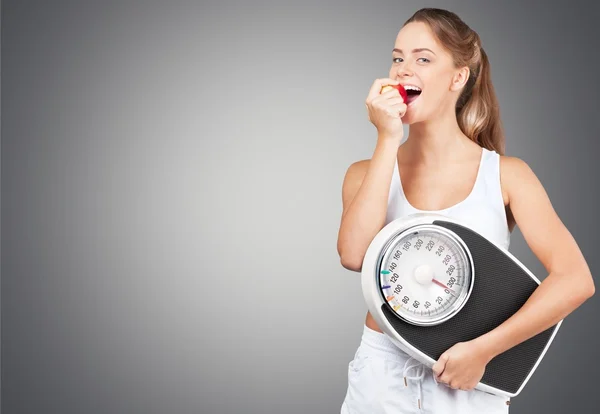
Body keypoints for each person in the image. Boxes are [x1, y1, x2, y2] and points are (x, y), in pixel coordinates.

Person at [336, 7, 595, 414]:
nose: (404, 70)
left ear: (459, 77)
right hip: (382, 376)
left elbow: (575, 280)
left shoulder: (507, 176)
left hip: (471, 379)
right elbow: (353, 256)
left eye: (423, 59)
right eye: (398, 57)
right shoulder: (364, 173)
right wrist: (388, 139)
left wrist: (484, 351)